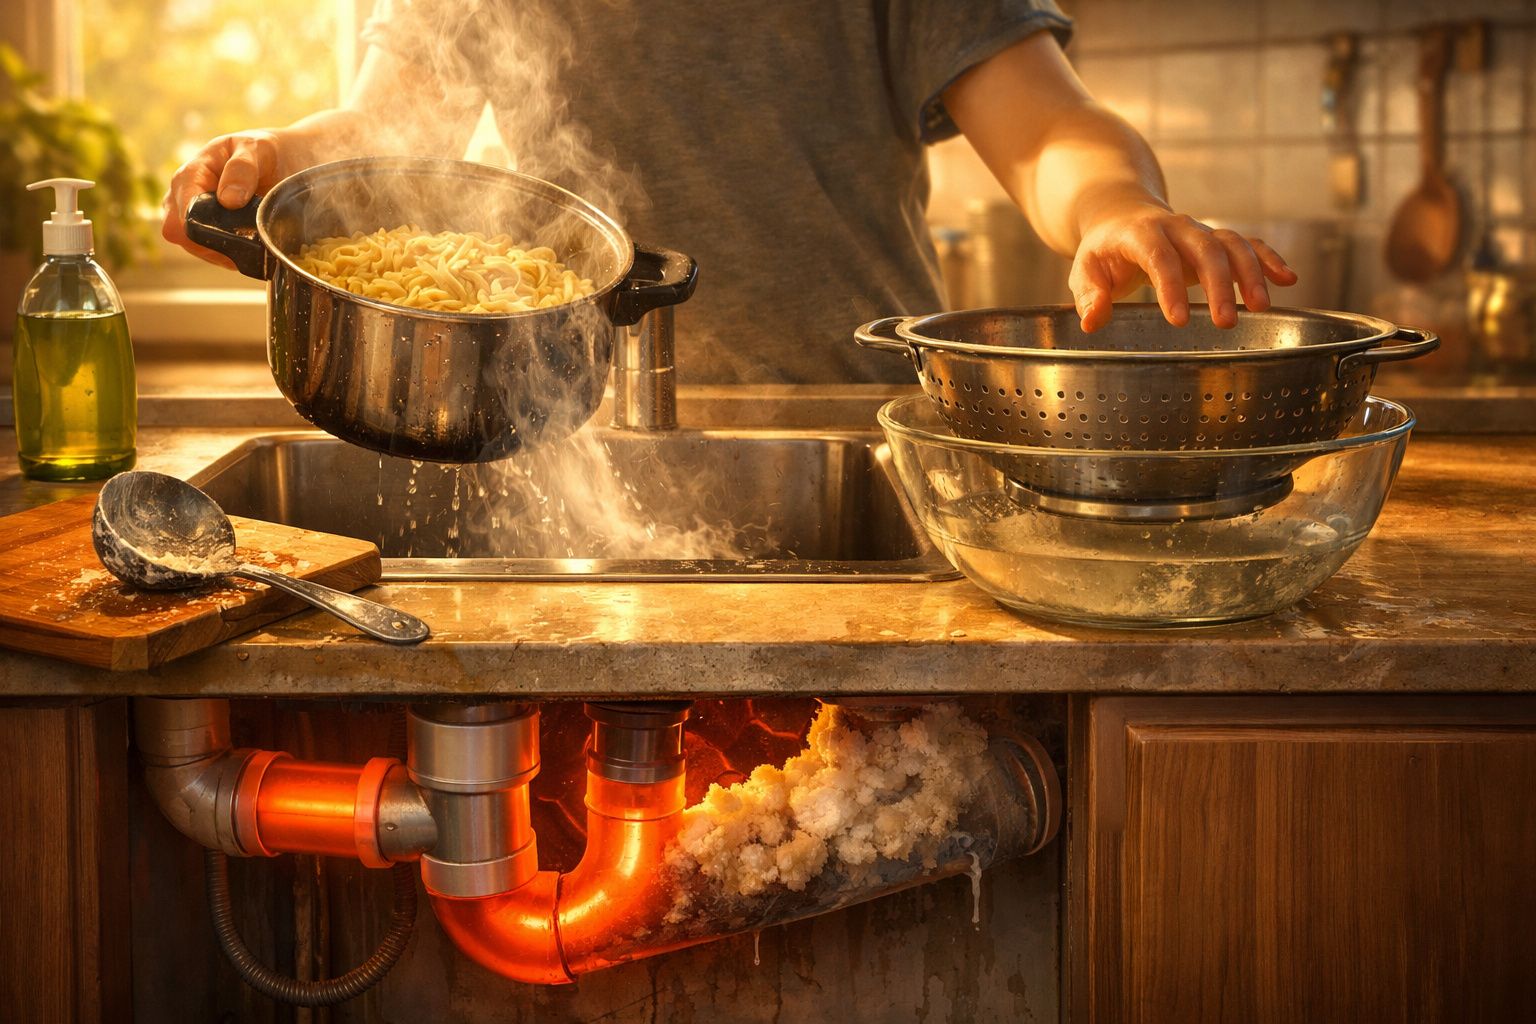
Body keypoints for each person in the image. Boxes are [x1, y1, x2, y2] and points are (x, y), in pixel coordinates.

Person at [161, 1, 1297, 385]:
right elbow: (390, 132)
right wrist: (283, 156)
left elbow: (1047, 127)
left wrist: (1116, 208)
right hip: (576, 430)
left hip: (852, 418)